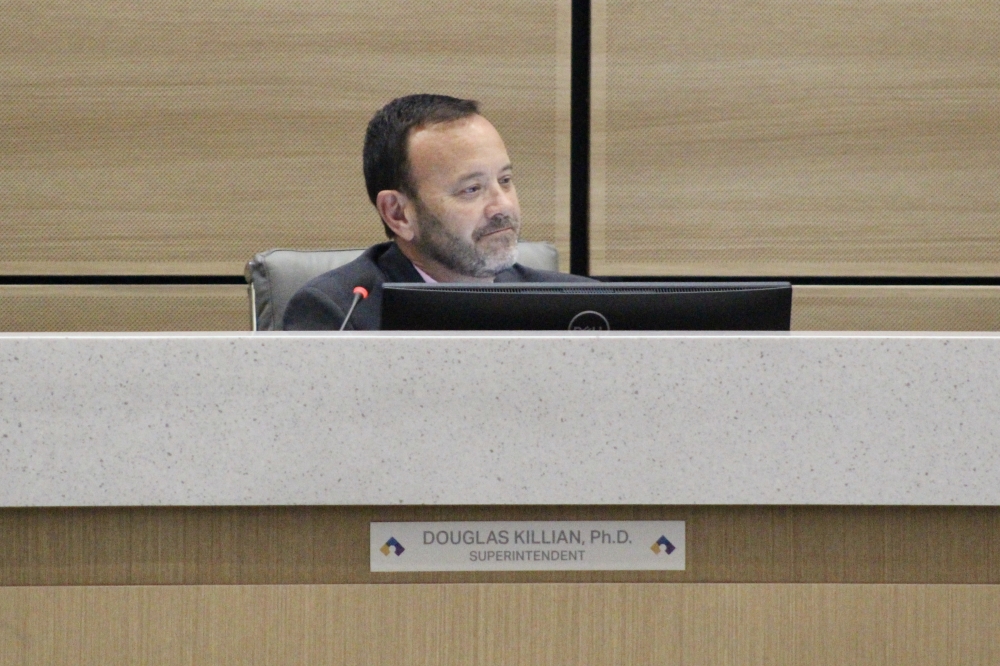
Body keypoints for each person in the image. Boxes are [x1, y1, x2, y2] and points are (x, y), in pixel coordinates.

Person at [282, 93, 590, 331]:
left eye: (505, 181)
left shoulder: (579, 307)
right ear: (398, 214)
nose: (502, 206)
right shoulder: (338, 313)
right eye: (471, 189)